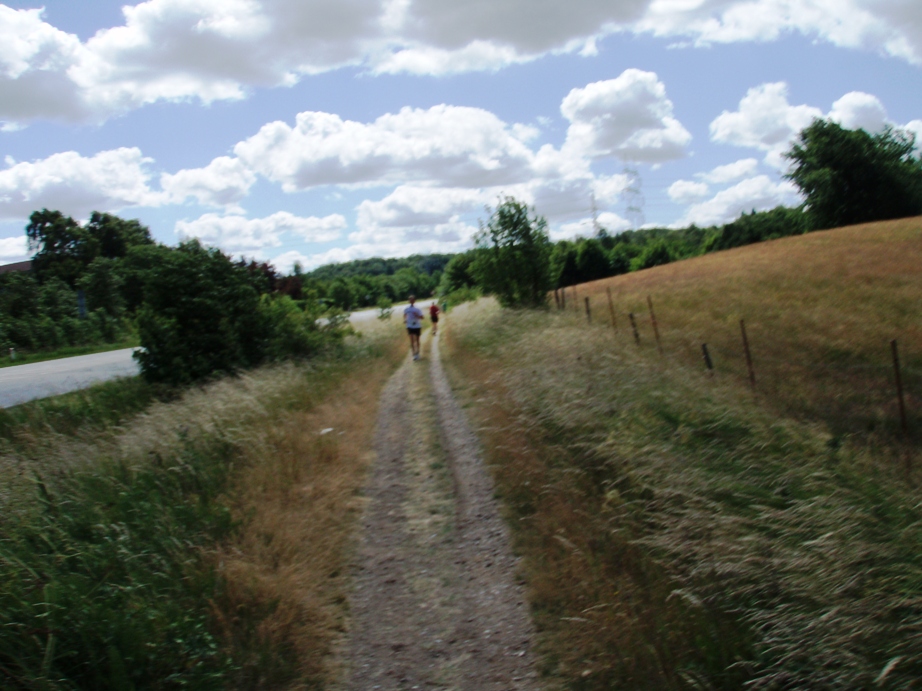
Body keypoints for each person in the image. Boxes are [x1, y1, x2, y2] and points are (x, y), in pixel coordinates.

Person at [403, 295, 423, 360]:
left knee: (417, 340)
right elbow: (404, 315)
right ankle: (414, 354)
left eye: (412, 299)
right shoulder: (406, 309)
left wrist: (417, 315)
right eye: (410, 299)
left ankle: (418, 353)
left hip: (417, 326)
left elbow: (422, 317)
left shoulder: (417, 309)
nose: (411, 301)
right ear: (408, 301)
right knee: (411, 340)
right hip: (410, 326)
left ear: (414, 300)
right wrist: (405, 320)